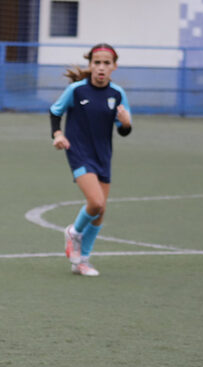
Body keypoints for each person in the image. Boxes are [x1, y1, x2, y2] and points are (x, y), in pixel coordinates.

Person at [50, 43, 132, 277]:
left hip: (103, 154)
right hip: (78, 152)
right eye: (97, 63)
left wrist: (126, 123)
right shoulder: (76, 90)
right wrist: (57, 134)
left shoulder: (117, 94)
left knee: (101, 211)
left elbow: (123, 130)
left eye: (107, 63)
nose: (101, 68)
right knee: (95, 202)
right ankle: (74, 232)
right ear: (90, 65)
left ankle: (82, 261)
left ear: (114, 67)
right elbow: (55, 112)